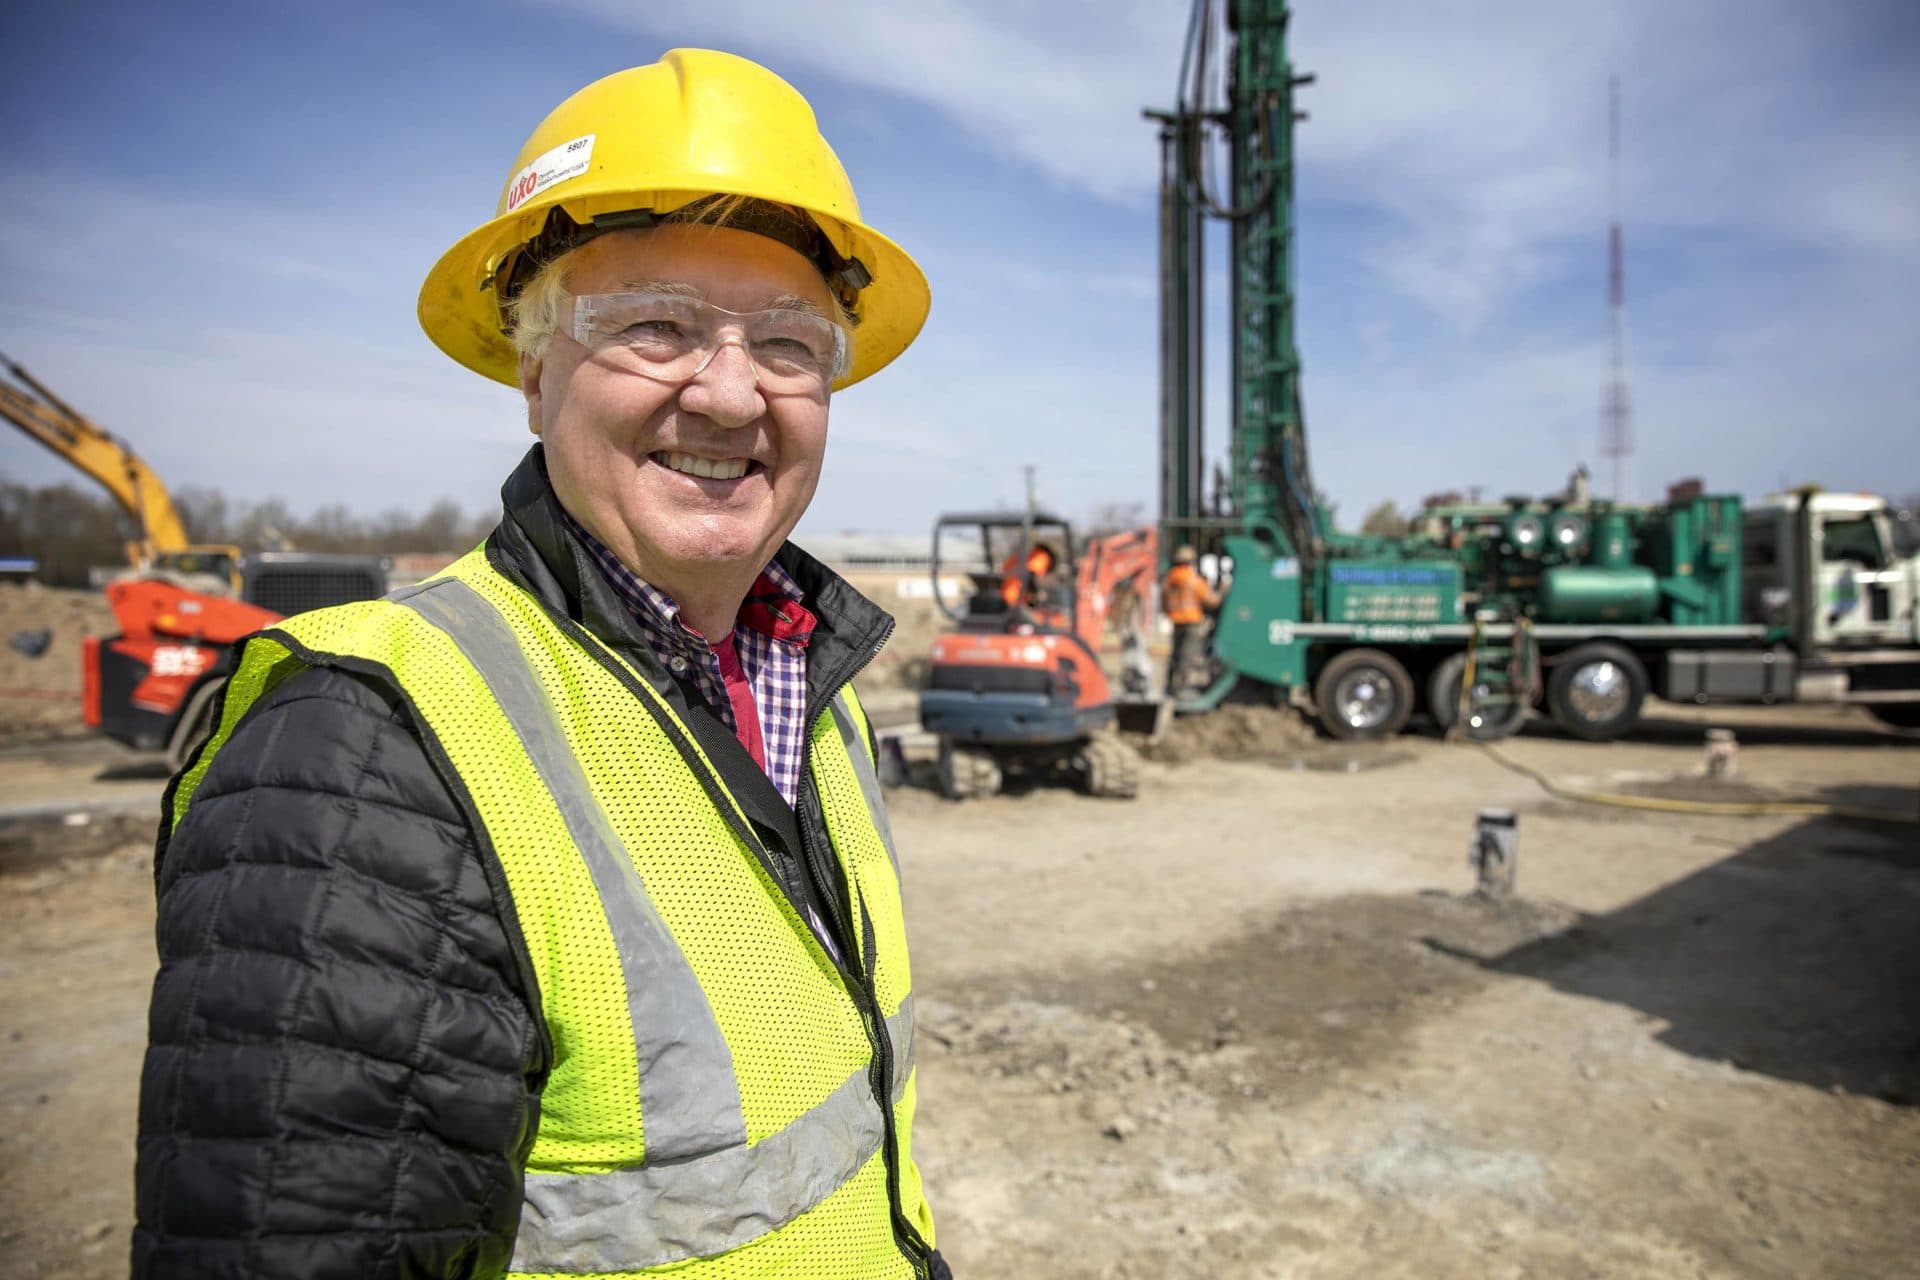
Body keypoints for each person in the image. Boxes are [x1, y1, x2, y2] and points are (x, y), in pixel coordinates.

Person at [134, 50, 949, 1280]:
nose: (731, 395)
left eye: (787, 344)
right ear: (533, 372)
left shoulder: (814, 686)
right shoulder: (365, 748)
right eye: (656, 326)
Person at [1162, 544, 1222, 695]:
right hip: (1192, 621)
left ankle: (1170, 686)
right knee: (1187, 656)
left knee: (1176, 654)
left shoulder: (1170, 578)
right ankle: (1183, 688)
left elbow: (1164, 600)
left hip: (1176, 620)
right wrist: (1222, 592)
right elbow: (1211, 600)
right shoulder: (1192, 578)